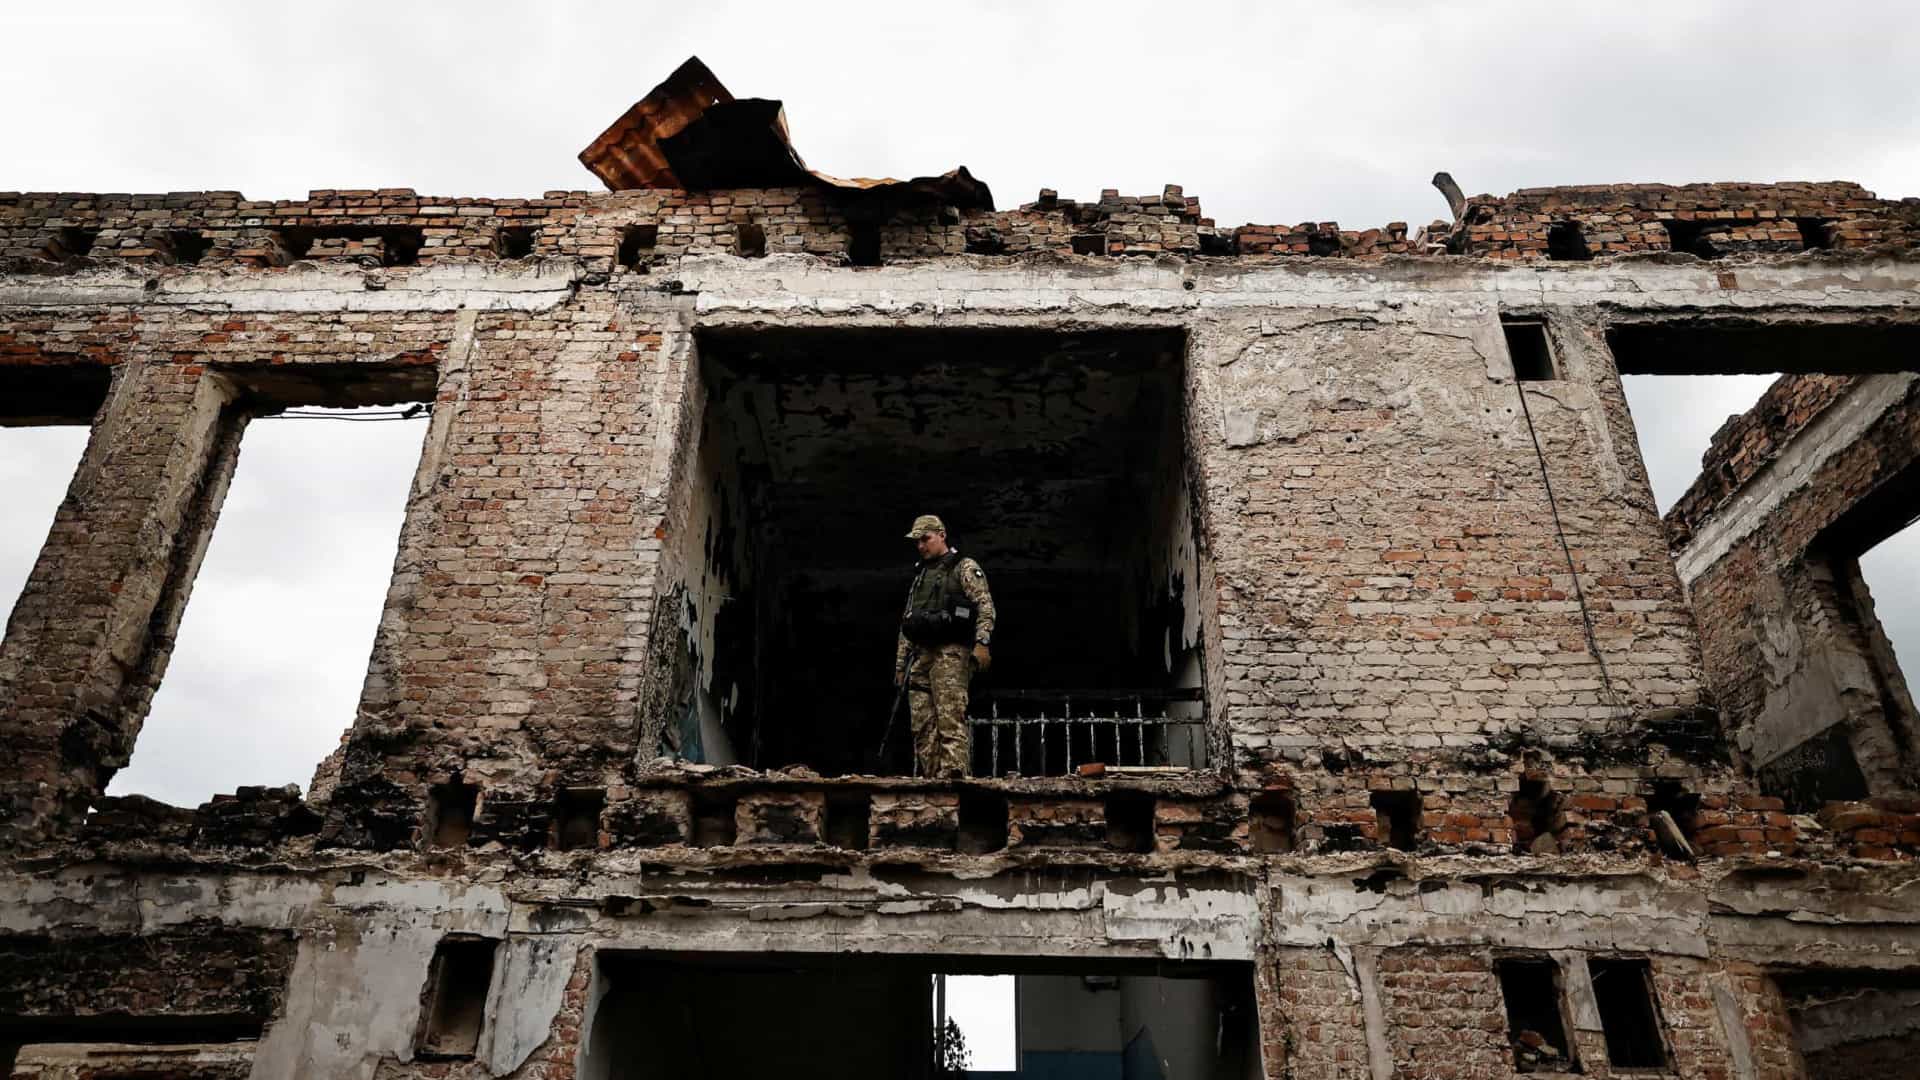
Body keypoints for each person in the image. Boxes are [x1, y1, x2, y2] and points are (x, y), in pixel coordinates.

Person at [894, 515, 995, 778]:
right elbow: (907, 623)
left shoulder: (963, 567)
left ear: (941, 534)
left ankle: (953, 778)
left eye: (925, 539)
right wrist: (901, 664)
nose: (921, 546)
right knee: (922, 724)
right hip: (921, 654)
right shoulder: (921, 575)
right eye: (917, 541)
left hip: (951, 653)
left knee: (949, 718)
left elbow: (985, 606)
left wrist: (982, 642)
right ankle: (932, 780)